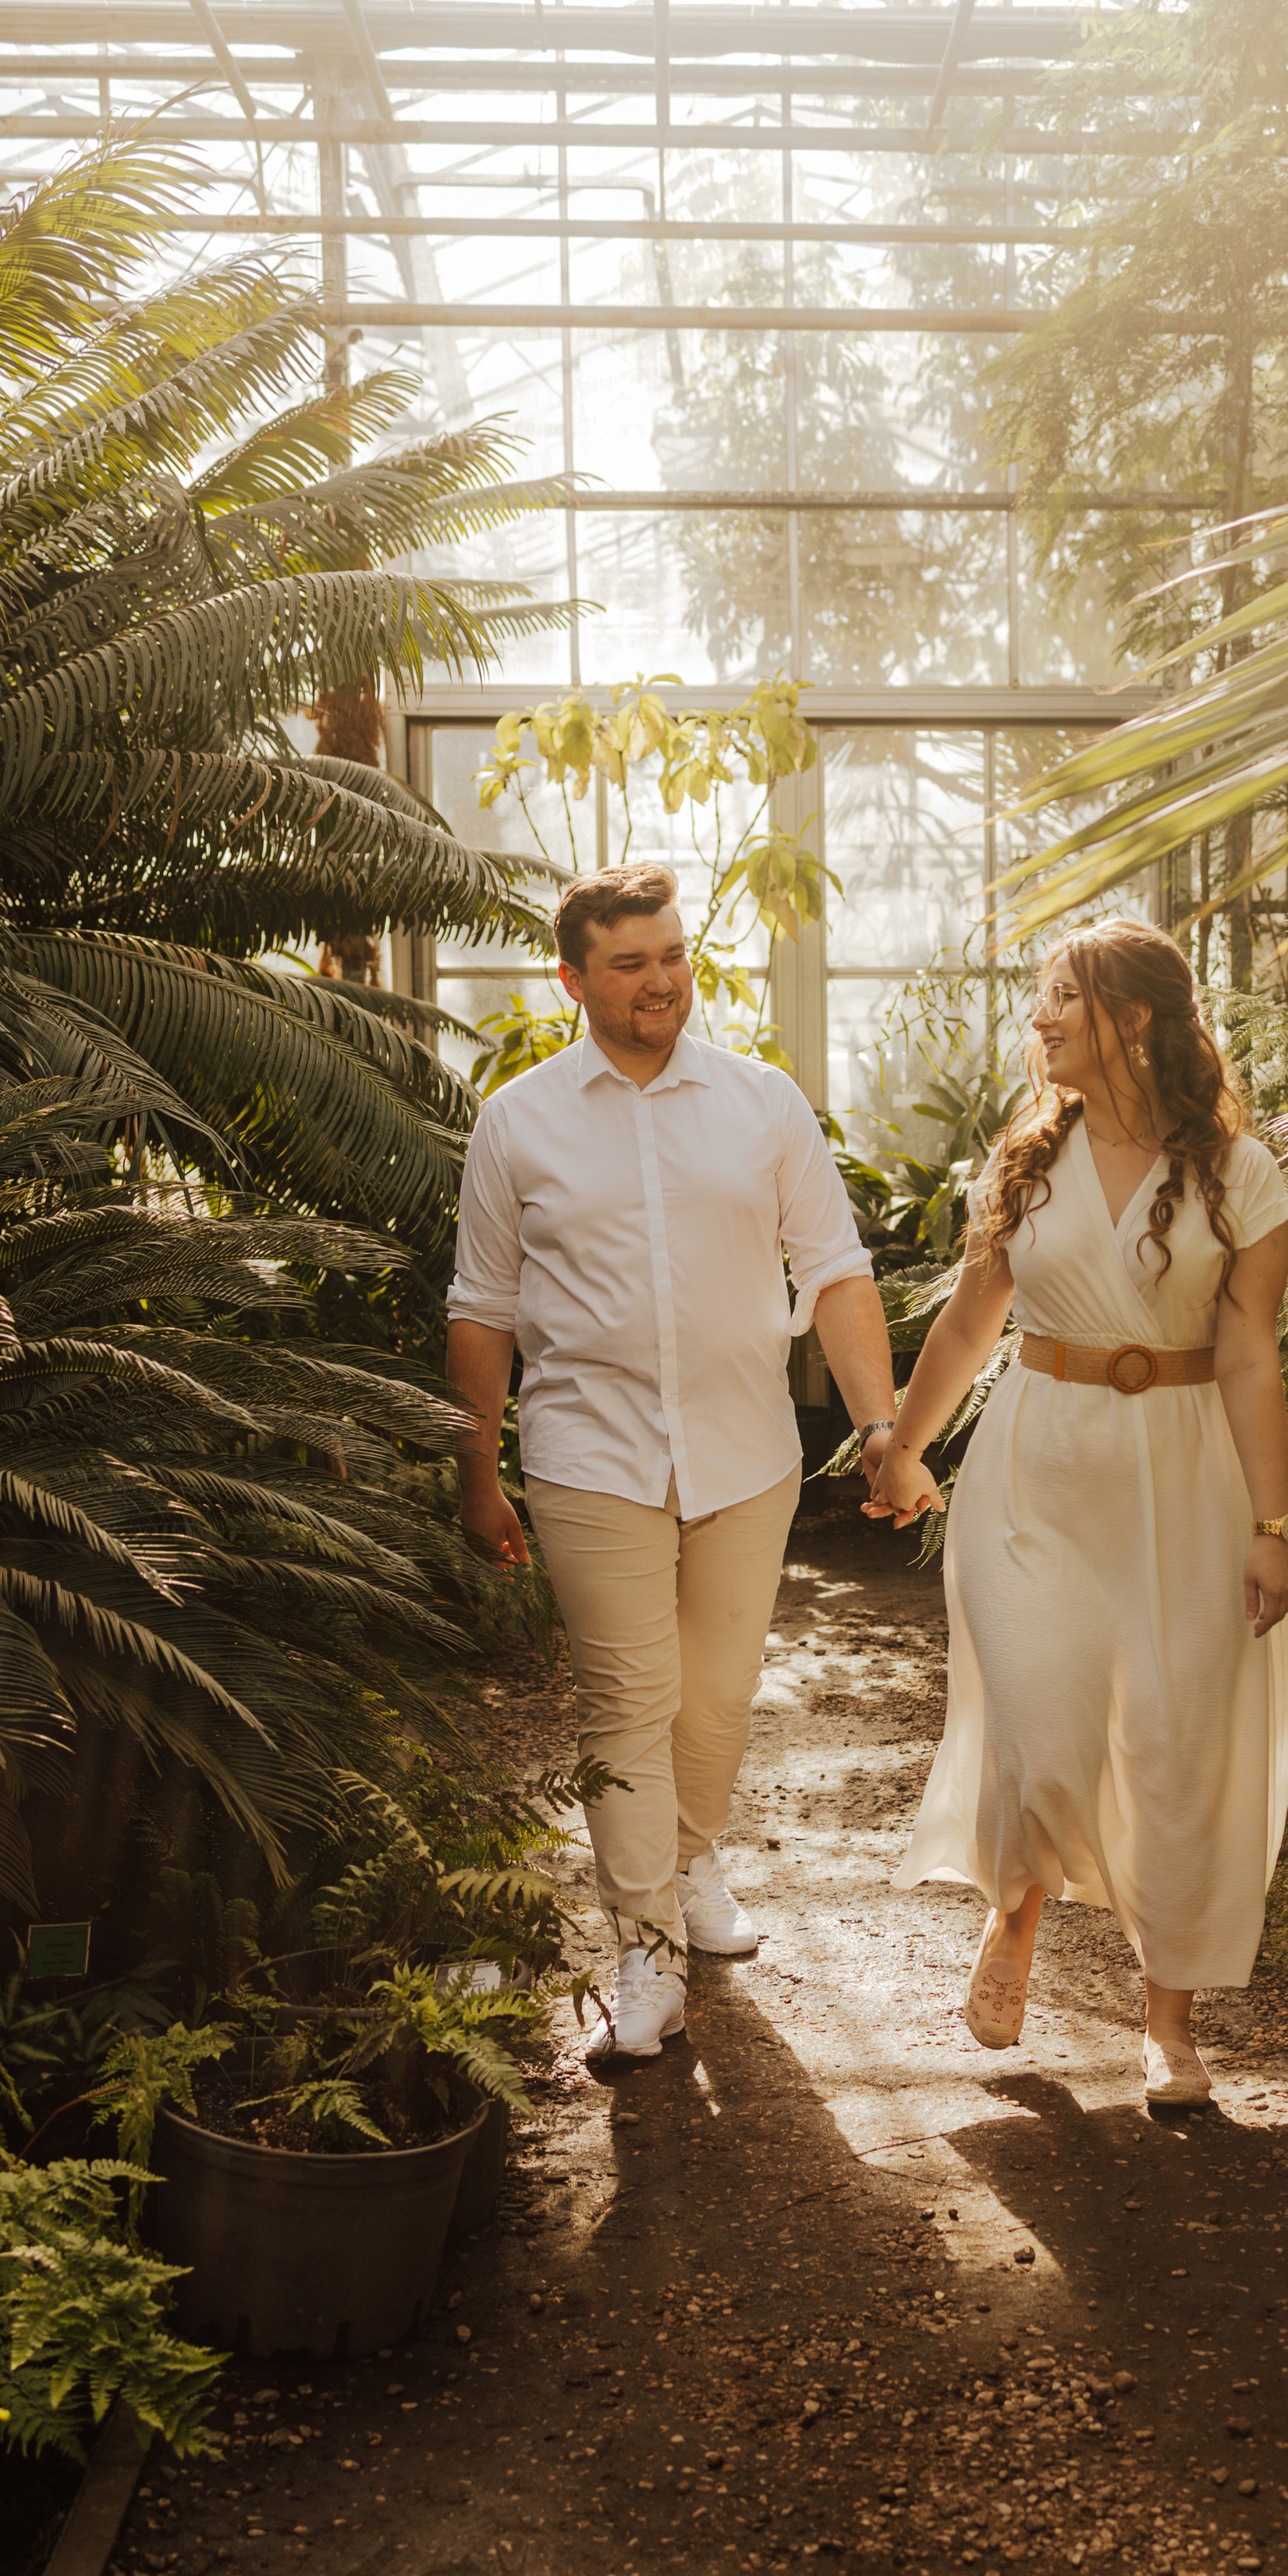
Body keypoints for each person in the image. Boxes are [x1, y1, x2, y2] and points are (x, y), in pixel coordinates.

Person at [446, 862, 897, 2065]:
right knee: (623, 1708)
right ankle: (643, 1952)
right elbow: (483, 1305)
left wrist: (885, 1428)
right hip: (590, 1456)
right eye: (633, 963)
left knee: (719, 1698)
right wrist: (479, 1469)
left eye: (674, 956)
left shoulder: (764, 1105)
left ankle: (692, 1861)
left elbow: (836, 1271)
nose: (663, 982)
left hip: (748, 1457)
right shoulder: (518, 1120)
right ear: (575, 978)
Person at [867, 918, 1288, 2107]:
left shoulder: (1238, 1174)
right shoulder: (1028, 1158)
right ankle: (1019, 1910)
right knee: (1041, 1715)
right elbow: (967, 1325)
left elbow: (1253, 1354)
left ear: (1136, 1018)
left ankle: (1169, 2025)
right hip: (1036, 1468)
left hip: (1183, 1476)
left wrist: (1274, 1528)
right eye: (1043, 997)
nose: (1041, 1017)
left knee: (1172, 1742)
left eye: (1064, 996)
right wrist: (901, 1447)